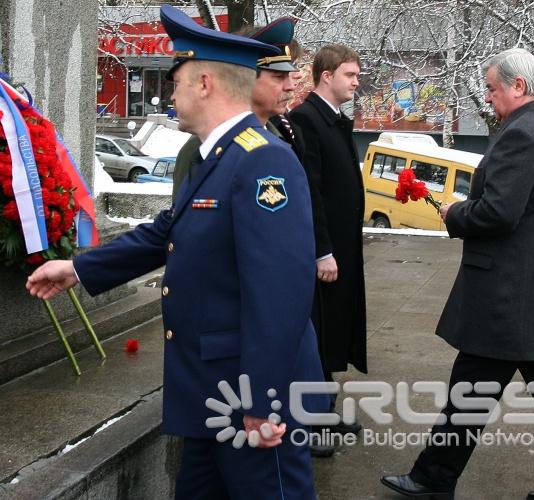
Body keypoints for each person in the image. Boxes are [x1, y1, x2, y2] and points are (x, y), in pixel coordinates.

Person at [26, 6, 327, 498]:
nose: (171, 92)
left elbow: (281, 291)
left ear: (205, 82)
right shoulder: (220, 156)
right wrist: (79, 268)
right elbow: (168, 231)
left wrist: (265, 399)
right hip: (211, 392)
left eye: (178, 79)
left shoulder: (264, 161)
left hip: (247, 394)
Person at [381, 48, 534, 500]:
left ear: (518, 87)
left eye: (491, 88)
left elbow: (499, 213)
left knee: (481, 390)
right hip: (527, 293)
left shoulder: (522, 134)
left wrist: (456, 213)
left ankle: (434, 479)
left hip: (508, 296)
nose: (487, 96)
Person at [287, 44, 367, 456]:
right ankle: (312, 421)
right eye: (350, 75)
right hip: (326, 250)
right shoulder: (306, 119)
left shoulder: (334, 119)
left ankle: (325, 408)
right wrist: (322, 250)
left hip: (343, 246)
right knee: (319, 333)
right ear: (326, 75)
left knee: (335, 330)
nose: (356, 82)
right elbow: (310, 191)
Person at [171, 17, 300, 200]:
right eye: (278, 77)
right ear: (245, 78)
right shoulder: (203, 146)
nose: (290, 86)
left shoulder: (276, 136)